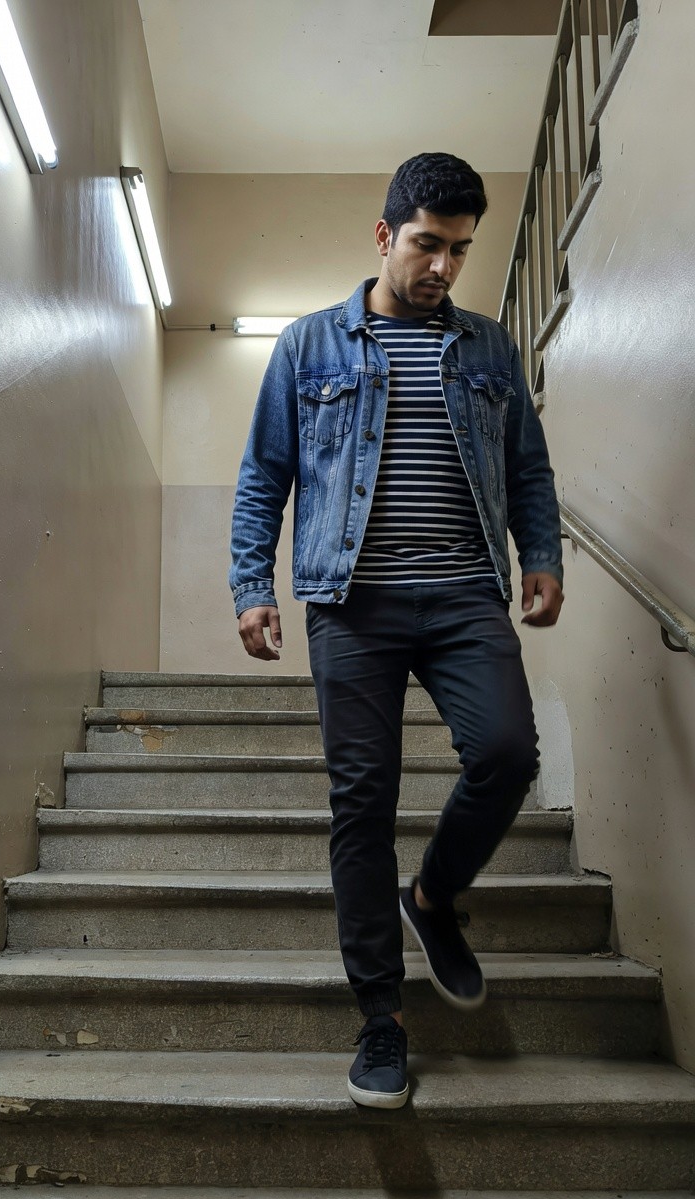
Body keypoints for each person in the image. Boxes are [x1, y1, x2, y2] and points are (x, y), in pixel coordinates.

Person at [228, 152, 563, 1109]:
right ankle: (382, 1019)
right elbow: (264, 475)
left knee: (506, 752)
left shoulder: (491, 349)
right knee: (362, 804)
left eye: (459, 249)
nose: (444, 267)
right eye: (427, 244)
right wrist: (254, 584)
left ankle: (433, 898)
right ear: (384, 235)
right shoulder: (307, 346)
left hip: (463, 595)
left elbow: (529, 471)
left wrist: (541, 553)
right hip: (352, 602)